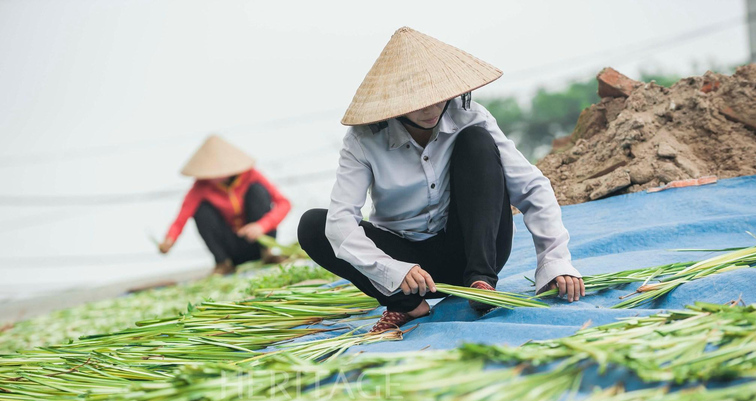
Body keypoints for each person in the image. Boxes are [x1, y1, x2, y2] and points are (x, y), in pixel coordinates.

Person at [298, 27, 584, 332]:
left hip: (473, 252)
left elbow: (531, 187)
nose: (430, 109)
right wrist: (392, 271)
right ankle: (408, 305)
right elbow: (341, 224)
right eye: (417, 101)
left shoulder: (470, 116)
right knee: (313, 225)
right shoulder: (363, 140)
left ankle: (481, 283)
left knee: (476, 141)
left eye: (437, 98)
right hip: (408, 270)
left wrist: (554, 262)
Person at [159, 135, 291, 274]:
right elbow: (181, 219)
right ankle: (223, 262)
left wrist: (261, 225)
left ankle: (267, 253)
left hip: (257, 240)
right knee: (201, 211)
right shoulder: (200, 186)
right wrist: (169, 240)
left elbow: (284, 203)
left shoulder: (251, 175)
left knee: (257, 191)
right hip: (231, 248)